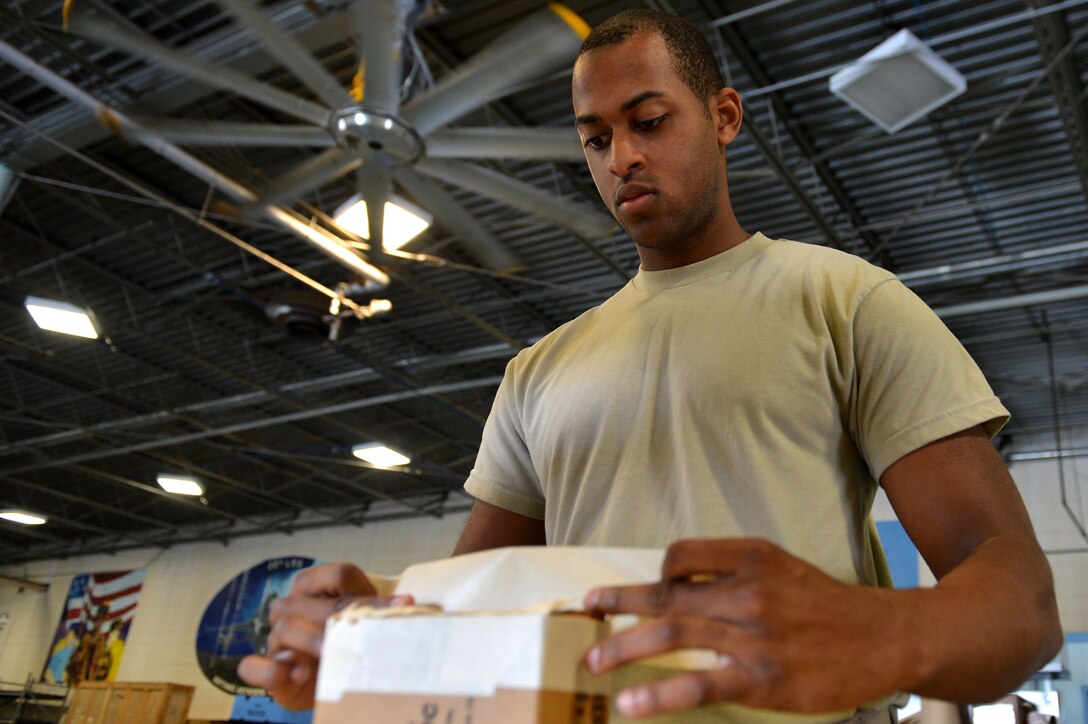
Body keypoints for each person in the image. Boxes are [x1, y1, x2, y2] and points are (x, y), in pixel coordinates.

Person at [239, 8, 1062, 721]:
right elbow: (481, 600)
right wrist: (367, 620)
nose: (620, 156)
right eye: (596, 138)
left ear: (725, 115)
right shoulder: (538, 369)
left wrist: (874, 630)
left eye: (649, 120)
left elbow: (1021, 601)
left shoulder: (844, 299)